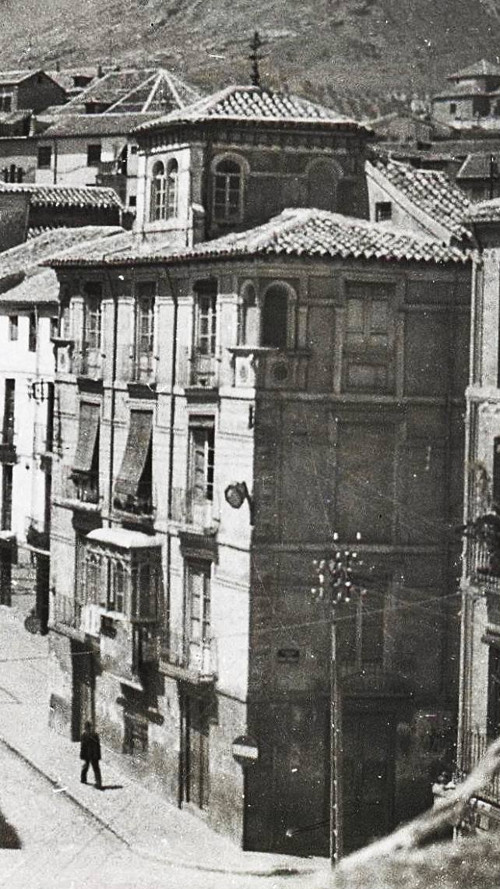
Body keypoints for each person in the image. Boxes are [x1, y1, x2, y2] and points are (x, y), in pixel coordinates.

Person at [80, 721, 102, 789]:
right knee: (86, 767)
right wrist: (82, 754)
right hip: (87, 754)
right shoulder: (84, 735)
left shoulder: (94, 735)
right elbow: (82, 746)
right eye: (87, 728)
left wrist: (97, 755)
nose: (88, 729)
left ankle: (98, 782)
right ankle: (83, 779)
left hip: (94, 754)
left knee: (96, 768)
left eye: (89, 728)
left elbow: (97, 746)